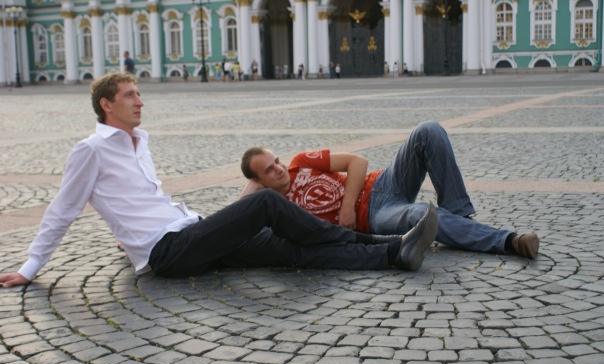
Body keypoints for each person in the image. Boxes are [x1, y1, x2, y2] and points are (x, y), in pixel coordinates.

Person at [0, 72, 439, 289]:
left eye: (139, 93)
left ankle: (392, 254)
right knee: (265, 204)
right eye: (130, 95)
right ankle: (375, 241)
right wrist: (30, 267)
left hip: (190, 229)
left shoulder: (139, 143)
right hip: (168, 251)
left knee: (285, 249)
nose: (140, 101)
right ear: (106, 105)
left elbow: (135, 202)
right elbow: (63, 208)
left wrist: (125, 235)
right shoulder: (91, 150)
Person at [239, 121, 540, 259]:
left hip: (384, 182)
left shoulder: (301, 162)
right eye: (269, 170)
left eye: (276, 160)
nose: (279, 168)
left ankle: (460, 217)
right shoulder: (276, 210)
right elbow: (238, 220)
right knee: (420, 214)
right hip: (377, 216)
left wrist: (346, 207)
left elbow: (358, 162)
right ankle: (509, 241)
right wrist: (252, 186)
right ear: (259, 182)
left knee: (427, 131)